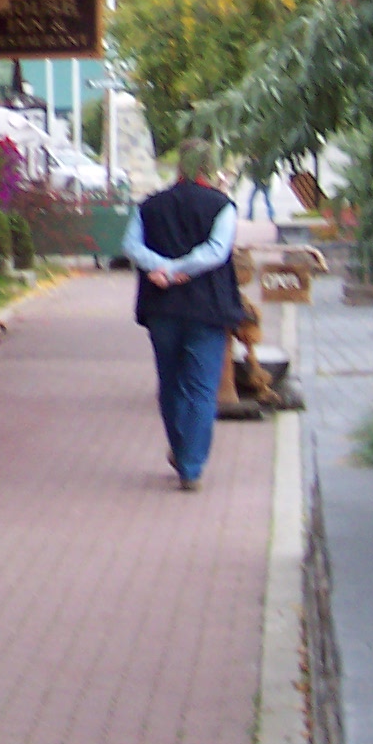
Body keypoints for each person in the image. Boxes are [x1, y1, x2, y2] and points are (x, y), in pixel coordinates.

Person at [124, 137, 242, 491]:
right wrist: (180, 269)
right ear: (210, 166)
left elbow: (131, 246)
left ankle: (180, 448)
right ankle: (191, 466)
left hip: (162, 308)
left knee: (171, 383)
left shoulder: (150, 205)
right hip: (208, 308)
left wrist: (161, 268)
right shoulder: (222, 206)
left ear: (179, 165)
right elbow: (217, 251)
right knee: (201, 389)